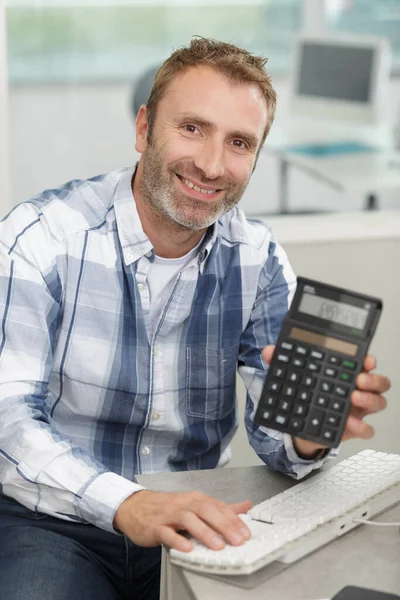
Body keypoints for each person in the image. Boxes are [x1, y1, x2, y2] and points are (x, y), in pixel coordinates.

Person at [0, 37, 390, 600]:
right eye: (192, 129)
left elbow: (275, 443)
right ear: (143, 130)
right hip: (56, 520)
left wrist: (307, 434)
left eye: (239, 143)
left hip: (200, 514)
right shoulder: (38, 240)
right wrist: (129, 503)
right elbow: (9, 424)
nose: (212, 165)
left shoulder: (257, 257)